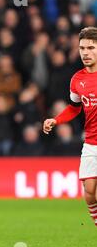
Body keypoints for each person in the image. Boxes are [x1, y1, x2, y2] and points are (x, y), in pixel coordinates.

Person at [43, 27, 97, 227]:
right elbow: (74, 108)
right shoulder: (77, 80)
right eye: (82, 48)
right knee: (90, 193)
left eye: (91, 47)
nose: (85, 52)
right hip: (91, 142)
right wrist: (56, 120)